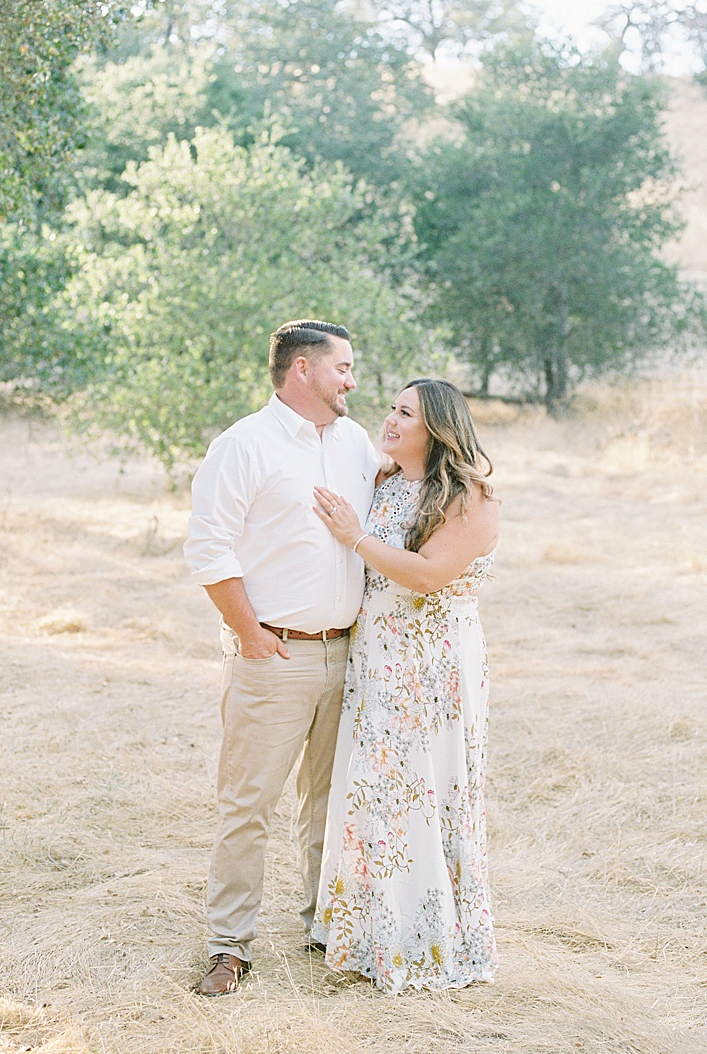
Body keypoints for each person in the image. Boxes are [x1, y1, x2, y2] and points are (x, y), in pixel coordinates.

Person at [184, 320, 384, 997]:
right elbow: (210, 550)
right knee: (248, 804)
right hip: (274, 653)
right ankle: (228, 946)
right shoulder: (245, 445)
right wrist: (249, 632)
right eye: (344, 368)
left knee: (331, 803)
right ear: (303, 369)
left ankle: (327, 929)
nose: (353, 380)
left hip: (348, 655)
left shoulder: (356, 444)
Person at [309, 376, 500, 992]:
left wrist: (354, 537)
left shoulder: (469, 498)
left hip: (433, 668)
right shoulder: (384, 484)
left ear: (436, 429)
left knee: (425, 788)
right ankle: (369, 930)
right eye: (390, 408)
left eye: (405, 413)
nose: (389, 420)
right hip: (378, 661)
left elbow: (425, 575)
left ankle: (424, 939)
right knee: (376, 789)